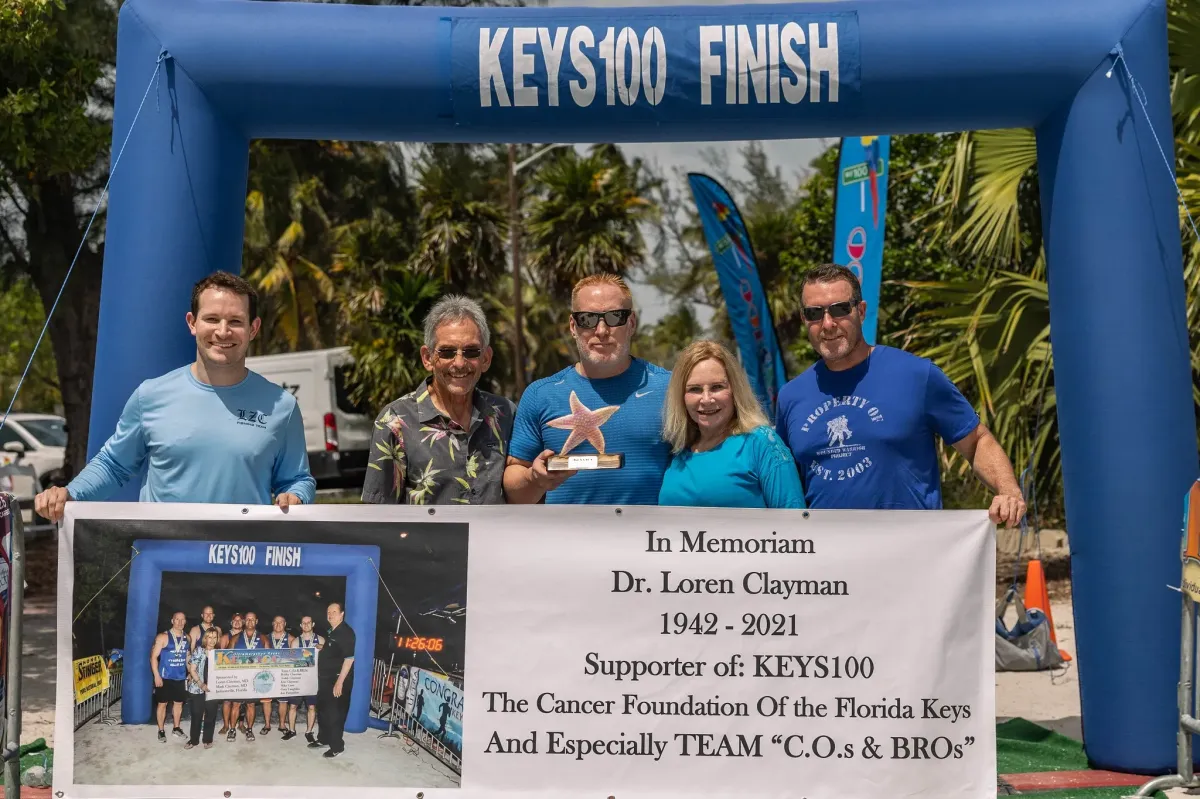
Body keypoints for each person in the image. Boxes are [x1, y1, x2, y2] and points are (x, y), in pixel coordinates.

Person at [33, 271, 315, 521]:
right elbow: (113, 465)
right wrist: (70, 493)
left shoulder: (282, 406)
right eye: (212, 319)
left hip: (241, 556)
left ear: (253, 328)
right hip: (161, 556)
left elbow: (297, 479)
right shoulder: (150, 396)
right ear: (192, 323)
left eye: (235, 321)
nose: (222, 331)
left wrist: (296, 497)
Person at [774, 263, 1026, 525]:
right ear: (804, 319)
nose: (827, 324)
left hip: (910, 546)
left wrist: (1008, 491)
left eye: (840, 309)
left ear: (861, 311)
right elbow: (781, 482)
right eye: (814, 313)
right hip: (826, 548)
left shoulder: (916, 375)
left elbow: (976, 442)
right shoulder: (791, 396)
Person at [504, 274, 672, 505]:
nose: (601, 330)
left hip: (649, 529)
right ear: (573, 326)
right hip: (568, 529)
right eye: (587, 319)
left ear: (631, 323)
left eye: (615, 317)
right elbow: (513, 490)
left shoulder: (670, 388)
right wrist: (534, 478)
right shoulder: (539, 394)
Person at [361, 295, 515, 505]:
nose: (459, 363)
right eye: (447, 352)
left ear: (486, 359)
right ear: (428, 358)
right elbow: (378, 514)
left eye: (471, 352)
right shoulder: (395, 422)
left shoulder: (506, 414)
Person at [658, 340, 805, 509]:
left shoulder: (761, 443)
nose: (706, 399)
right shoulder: (678, 451)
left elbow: (793, 517)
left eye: (717, 387)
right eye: (695, 389)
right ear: (681, 397)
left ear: (735, 390)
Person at [309, 602, 355, 758]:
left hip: (337, 680)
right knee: (323, 711)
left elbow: (349, 659)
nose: (330, 615)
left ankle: (337, 746)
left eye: (334, 612)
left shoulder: (346, 633)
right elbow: (335, 650)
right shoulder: (333, 631)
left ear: (342, 614)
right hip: (325, 680)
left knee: (335, 714)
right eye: (328, 612)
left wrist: (339, 682)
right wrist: (323, 647)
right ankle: (323, 739)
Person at [150, 611, 191, 742]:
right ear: (172, 621)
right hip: (165, 677)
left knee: (178, 703)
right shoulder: (163, 636)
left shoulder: (187, 638)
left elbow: (187, 657)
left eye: (182, 620)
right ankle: (161, 730)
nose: (180, 622)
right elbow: (153, 657)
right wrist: (156, 675)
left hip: (180, 677)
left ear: (185, 622)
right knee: (162, 704)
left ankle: (176, 728)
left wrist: (190, 672)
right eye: (177, 619)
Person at [228, 611, 267, 742]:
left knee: (251, 705)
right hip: (239, 677)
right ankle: (232, 729)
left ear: (256, 621)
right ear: (244, 621)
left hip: (255, 678)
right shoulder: (236, 638)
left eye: (252, 619)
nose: (250, 622)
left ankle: (249, 729)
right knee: (236, 704)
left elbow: (271, 658)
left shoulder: (263, 638)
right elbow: (226, 657)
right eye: (248, 619)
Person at [184, 627, 222, 750]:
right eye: (209, 637)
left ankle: (208, 739)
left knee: (211, 715)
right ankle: (193, 740)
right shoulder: (198, 651)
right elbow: (192, 670)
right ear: (205, 638)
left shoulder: (219, 653)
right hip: (197, 688)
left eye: (214, 637)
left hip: (213, 689)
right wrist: (201, 684)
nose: (212, 640)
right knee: (196, 715)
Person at [289, 615, 324, 744]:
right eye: (303, 623)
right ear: (300, 625)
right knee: (293, 706)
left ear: (313, 624)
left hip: (313, 680)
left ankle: (309, 732)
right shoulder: (295, 642)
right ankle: (291, 730)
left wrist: (323, 648)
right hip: (299, 679)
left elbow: (327, 659)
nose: (306, 625)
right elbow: (291, 661)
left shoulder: (321, 640)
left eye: (309, 622)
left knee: (311, 707)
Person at [261, 615, 296, 738]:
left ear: (285, 624)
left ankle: (282, 724)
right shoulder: (265, 638)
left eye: (281, 622)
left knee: (283, 701)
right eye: (275, 622)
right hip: (268, 675)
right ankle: (267, 724)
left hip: (283, 675)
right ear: (272, 624)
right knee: (266, 700)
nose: (278, 625)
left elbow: (296, 657)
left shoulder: (291, 639)